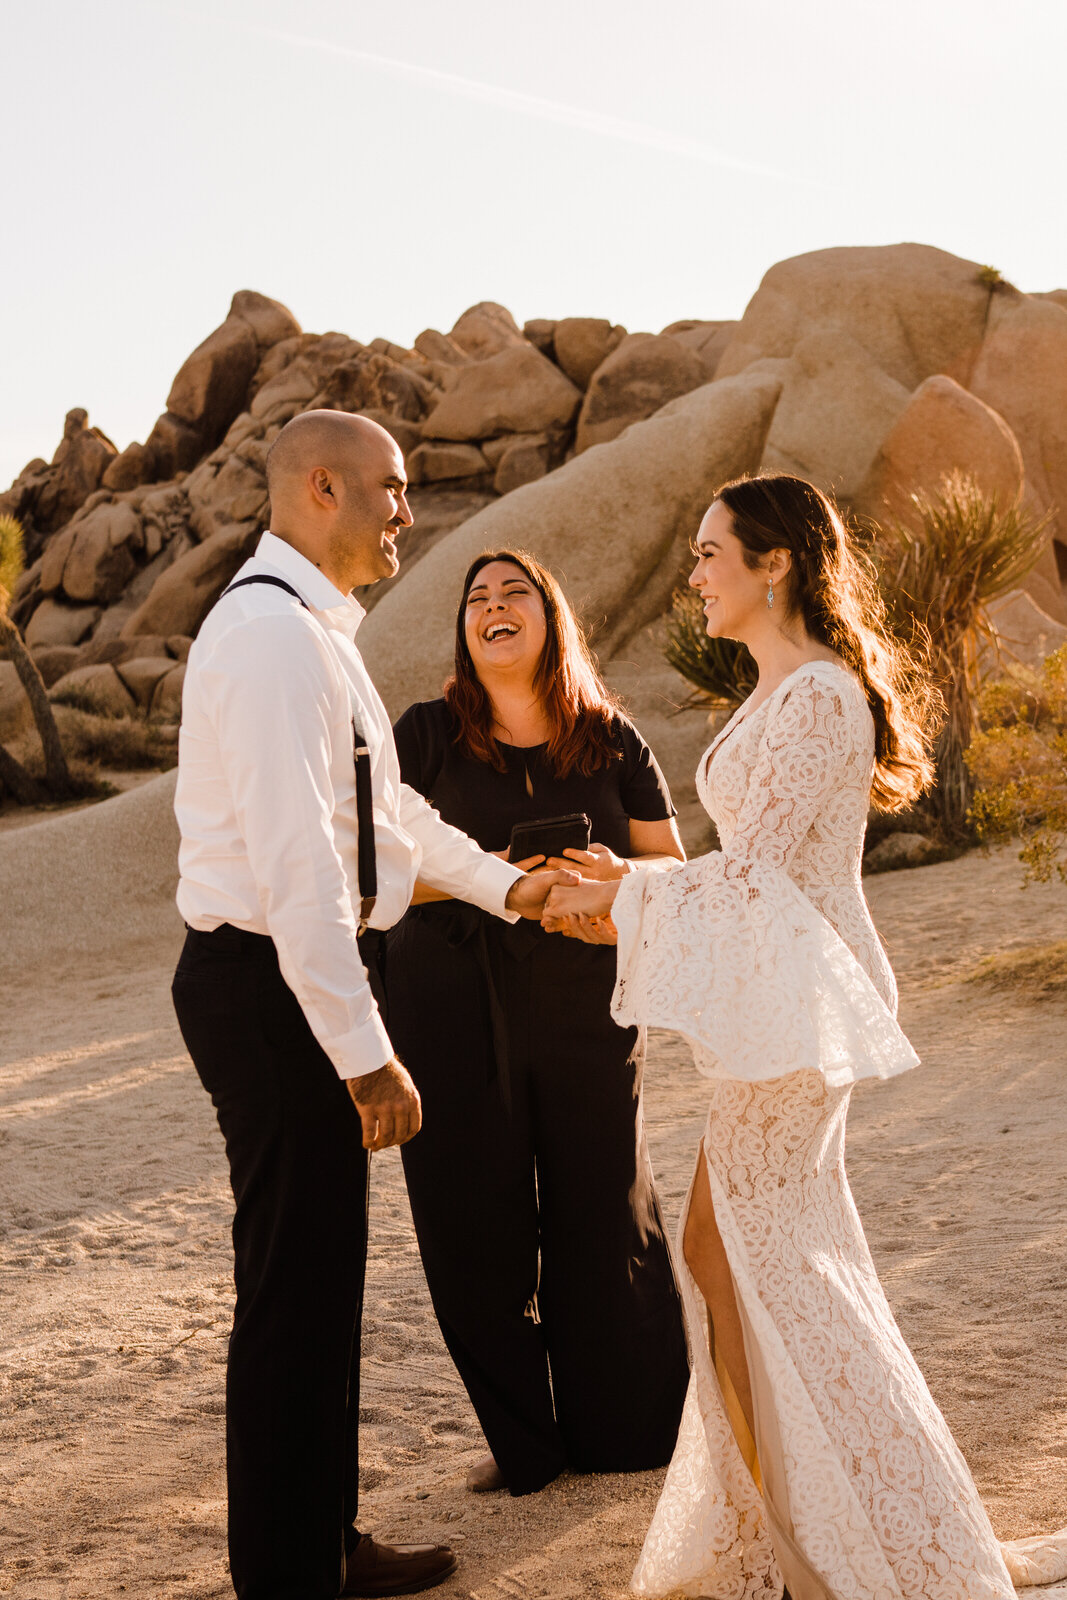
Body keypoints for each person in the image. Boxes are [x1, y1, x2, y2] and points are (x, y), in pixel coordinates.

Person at [544, 475, 1067, 1598]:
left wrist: (622, 896)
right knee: (730, 1250)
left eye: (707, 553)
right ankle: (786, 1521)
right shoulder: (779, 692)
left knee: (774, 1261)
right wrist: (623, 883)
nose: (693, 575)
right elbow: (744, 870)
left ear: (772, 561)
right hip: (776, 991)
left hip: (799, 998)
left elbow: (762, 873)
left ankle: (853, 1536)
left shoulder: (822, 697)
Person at [170, 413, 574, 1600]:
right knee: (292, 1288)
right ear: (321, 487)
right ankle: (292, 1574)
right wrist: (364, 1054)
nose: (408, 510)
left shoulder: (314, 634)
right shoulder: (266, 641)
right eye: (392, 489)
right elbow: (299, 868)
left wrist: (517, 890)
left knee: (318, 1281)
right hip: (266, 987)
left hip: (288, 975)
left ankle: (322, 1544)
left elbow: (384, 823)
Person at [384, 548, 691, 1497]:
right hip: (448, 997)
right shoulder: (425, 734)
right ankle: (526, 1441)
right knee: (471, 1217)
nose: (493, 605)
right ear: (464, 632)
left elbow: (672, 871)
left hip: (585, 999)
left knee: (606, 1208)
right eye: (476, 598)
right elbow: (379, 867)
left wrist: (597, 883)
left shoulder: (611, 739)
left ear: (550, 618)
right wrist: (514, 886)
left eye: (515, 591)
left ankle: (630, 1431)